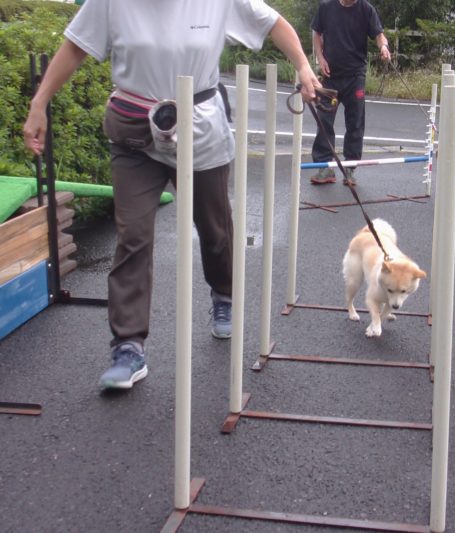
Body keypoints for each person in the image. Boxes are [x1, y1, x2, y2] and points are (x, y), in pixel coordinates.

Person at [23, 0, 320, 391]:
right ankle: (128, 347)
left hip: (200, 130)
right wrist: (39, 103)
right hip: (134, 132)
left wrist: (303, 66)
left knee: (215, 231)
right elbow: (76, 45)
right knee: (132, 236)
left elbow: (274, 23)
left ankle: (224, 295)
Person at [309, 0, 391, 186]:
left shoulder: (366, 9)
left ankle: (350, 168)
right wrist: (320, 58)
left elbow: (379, 35)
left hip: (355, 76)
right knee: (324, 119)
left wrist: (384, 47)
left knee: (355, 122)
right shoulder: (326, 7)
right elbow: (316, 32)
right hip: (330, 75)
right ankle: (325, 167)